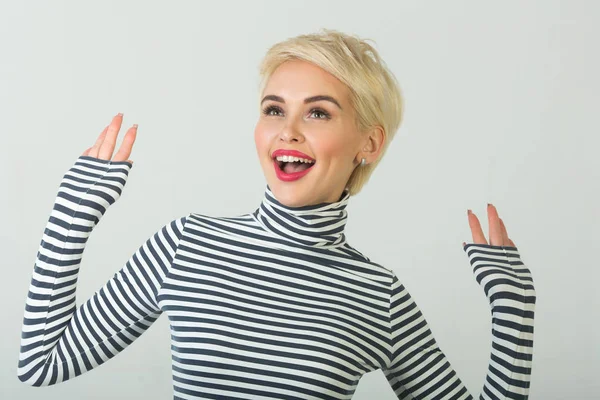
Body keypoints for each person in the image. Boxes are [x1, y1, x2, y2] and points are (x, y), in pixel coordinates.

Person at [17, 29, 536, 399]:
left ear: (369, 143)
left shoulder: (381, 296)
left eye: (317, 111)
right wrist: (72, 215)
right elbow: (41, 363)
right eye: (273, 109)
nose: (287, 130)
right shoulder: (186, 246)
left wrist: (515, 311)